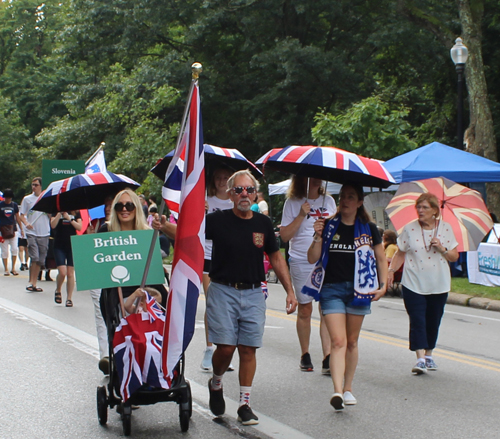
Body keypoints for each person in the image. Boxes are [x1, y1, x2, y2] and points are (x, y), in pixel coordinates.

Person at [155, 170, 297, 425]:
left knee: (248, 348)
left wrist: (289, 290)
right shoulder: (217, 220)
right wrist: (164, 225)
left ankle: (244, 404)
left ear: (255, 194)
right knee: (226, 348)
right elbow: (188, 235)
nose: (244, 194)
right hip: (222, 290)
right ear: (230, 194)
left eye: (249, 190)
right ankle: (217, 382)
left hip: (254, 292)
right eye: (239, 190)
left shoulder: (263, 223)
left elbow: (276, 257)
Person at [307, 182, 387, 410]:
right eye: (343, 196)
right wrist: (317, 235)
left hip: (359, 289)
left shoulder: (368, 228)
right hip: (331, 289)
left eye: (351, 197)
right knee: (338, 341)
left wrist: (383, 285)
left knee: (351, 341)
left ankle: (349, 387)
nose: (345, 201)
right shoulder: (329, 225)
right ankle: (337, 391)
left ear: (360, 202)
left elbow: (381, 258)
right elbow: (312, 258)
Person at [387, 193, 458, 375]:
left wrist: (442, 248)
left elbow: (454, 256)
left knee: (433, 320)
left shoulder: (446, 229)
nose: (420, 211)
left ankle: (429, 355)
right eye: (418, 207)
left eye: (425, 207)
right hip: (413, 282)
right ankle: (419, 358)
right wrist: (391, 271)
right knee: (417, 319)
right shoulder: (409, 229)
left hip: (438, 283)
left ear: (435, 210)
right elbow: (400, 253)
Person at [98, 189, 167, 375]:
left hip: (145, 284)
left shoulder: (147, 233)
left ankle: (161, 357)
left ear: (136, 208)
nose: (124, 210)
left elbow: (154, 263)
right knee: (109, 303)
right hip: (117, 286)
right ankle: (122, 362)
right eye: (120, 206)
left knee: (165, 299)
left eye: (129, 205)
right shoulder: (106, 230)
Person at [279, 176, 336, 374]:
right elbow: (285, 236)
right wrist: (302, 215)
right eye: (312, 178)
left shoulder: (328, 201)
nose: (318, 181)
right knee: (305, 309)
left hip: (324, 258)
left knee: (326, 308)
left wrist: (325, 226)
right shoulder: (292, 202)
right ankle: (305, 353)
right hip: (301, 259)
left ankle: (328, 356)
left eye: (320, 177)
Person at [200, 167, 234, 372]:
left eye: (225, 178)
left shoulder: (234, 202)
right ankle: (208, 348)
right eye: (219, 177)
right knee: (212, 302)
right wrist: (200, 212)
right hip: (207, 256)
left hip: (228, 257)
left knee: (228, 306)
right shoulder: (205, 199)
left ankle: (225, 350)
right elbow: (195, 226)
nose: (222, 181)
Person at [86, 196, 113, 374]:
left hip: (121, 277)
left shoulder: (131, 225)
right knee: (101, 314)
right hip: (99, 275)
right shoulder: (95, 224)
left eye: (113, 204)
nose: (108, 208)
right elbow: (87, 253)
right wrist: (90, 239)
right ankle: (106, 357)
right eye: (106, 204)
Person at [19, 178, 51, 292]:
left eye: (36, 185)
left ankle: (35, 282)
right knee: (34, 257)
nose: (34, 187)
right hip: (32, 232)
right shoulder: (27, 199)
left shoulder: (46, 198)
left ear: (41, 186)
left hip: (44, 232)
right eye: (32, 185)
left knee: (41, 260)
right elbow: (22, 214)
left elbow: (51, 215)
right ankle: (31, 282)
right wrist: (26, 224)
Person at [50, 210, 82, 307]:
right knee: (62, 272)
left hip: (72, 244)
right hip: (59, 245)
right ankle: (58, 289)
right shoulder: (55, 211)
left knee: (70, 273)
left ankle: (69, 298)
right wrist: (59, 214)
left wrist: (69, 218)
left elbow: (79, 227)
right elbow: (53, 225)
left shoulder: (76, 212)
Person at [0, 189, 23, 276]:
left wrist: (21, 229)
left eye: (9, 198)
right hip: (2, 230)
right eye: (6, 197)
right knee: (4, 250)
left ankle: (13, 268)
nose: (8, 199)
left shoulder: (14, 205)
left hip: (13, 229)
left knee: (14, 249)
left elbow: (17, 217)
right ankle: (6, 269)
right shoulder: (0, 205)